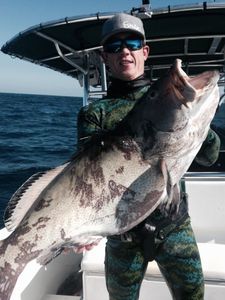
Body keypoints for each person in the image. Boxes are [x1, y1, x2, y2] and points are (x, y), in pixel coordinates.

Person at [77, 13, 220, 300]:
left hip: (174, 227)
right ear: (105, 58)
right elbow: (87, 176)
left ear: (145, 52)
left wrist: (195, 122)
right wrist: (83, 226)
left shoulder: (171, 98)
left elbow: (209, 157)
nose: (124, 50)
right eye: (115, 46)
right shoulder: (95, 113)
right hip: (122, 236)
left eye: (132, 42)